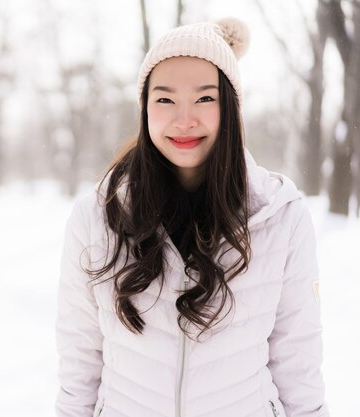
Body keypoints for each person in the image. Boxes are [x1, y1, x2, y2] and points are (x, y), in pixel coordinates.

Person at [55, 18, 328, 417]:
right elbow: (79, 361)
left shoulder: (279, 217)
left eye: (204, 99)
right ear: (145, 108)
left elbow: (297, 360)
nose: (184, 120)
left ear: (231, 108)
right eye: (164, 100)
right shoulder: (98, 217)